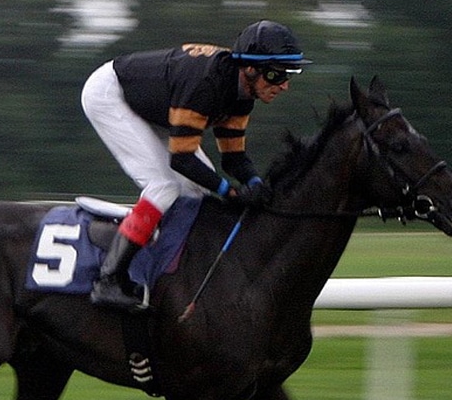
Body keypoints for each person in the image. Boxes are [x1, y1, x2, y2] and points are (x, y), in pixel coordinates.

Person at [81, 20, 310, 311]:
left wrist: (255, 184)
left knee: (195, 193)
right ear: (250, 69)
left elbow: (233, 158)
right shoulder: (207, 85)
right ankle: (108, 280)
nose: (285, 85)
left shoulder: (243, 94)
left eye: (289, 74)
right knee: (164, 186)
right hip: (110, 95)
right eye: (277, 74)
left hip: (154, 109)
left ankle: (174, 272)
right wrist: (230, 193)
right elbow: (182, 159)